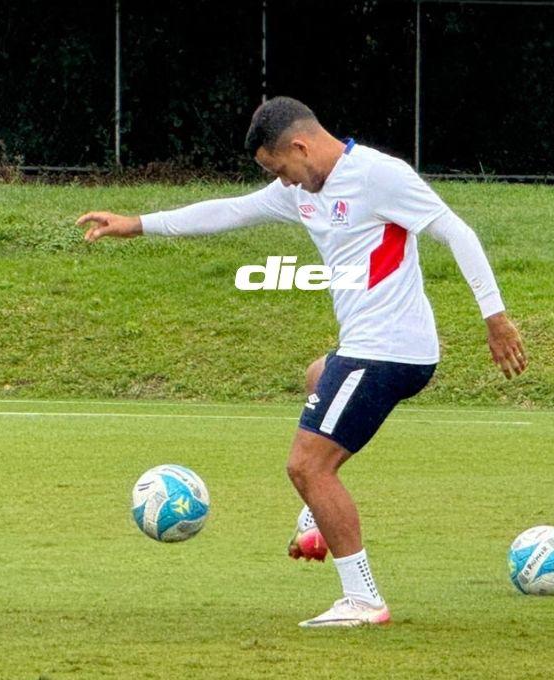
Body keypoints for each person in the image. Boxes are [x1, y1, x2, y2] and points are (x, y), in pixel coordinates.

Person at [77, 96, 527, 628]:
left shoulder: (380, 176)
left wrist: (494, 318)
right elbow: (229, 211)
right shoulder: (302, 190)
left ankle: (363, 599)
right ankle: (317, 516)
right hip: (366, 349)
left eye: (281, 169)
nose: (283, 183)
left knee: (306, 465)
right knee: (318, 376)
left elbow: (457, 231)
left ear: (300, 145)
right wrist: (136, 224)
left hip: (386, 350)